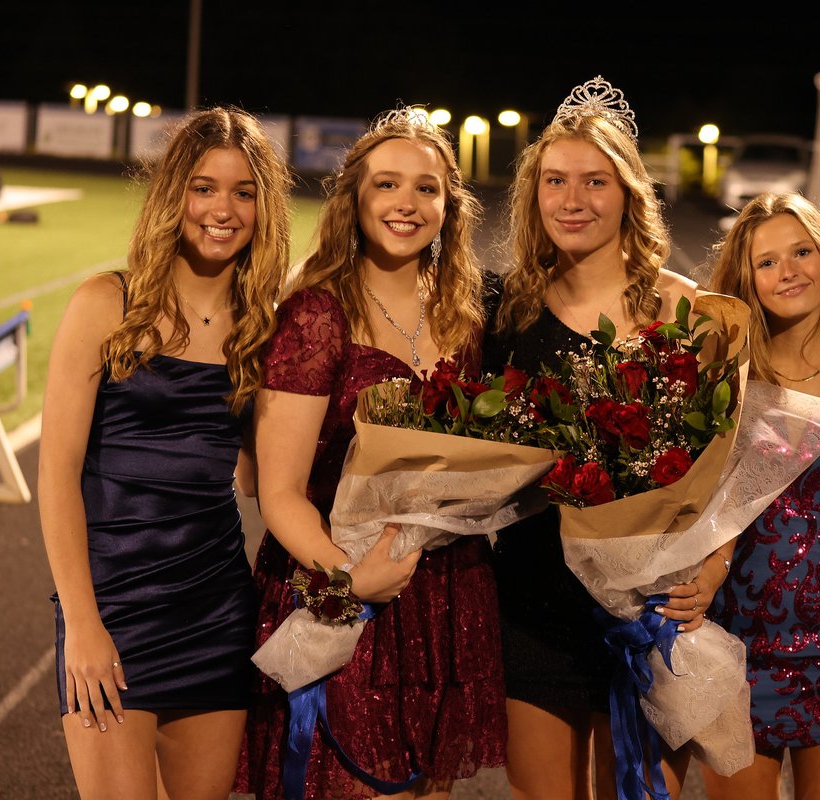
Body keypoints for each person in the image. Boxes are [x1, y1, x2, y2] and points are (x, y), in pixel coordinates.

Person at [236, 107, 505, 800]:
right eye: (387, 184)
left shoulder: (464, 316)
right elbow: (281, 491)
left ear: (450, 205)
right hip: (339, 587)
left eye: (426, 188)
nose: (406, 204)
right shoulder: (316, 314)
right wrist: (351, 582)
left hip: (444, 597)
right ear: (355, 197)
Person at [38, 107, 292, 799]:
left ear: (263, 208)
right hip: (111, 601)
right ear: (173, 193)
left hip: (213, 603)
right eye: (205, 187)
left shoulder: (263, 327)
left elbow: (259, 476)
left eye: (244, 192)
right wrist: (82, 624)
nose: (223, 209)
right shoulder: (106, 304)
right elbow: (56, 472)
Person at [483, 76, 718, 800]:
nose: (573, 199)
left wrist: (713, 569)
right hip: (532, 599)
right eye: (555, 180)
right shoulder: (505, 307)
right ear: (535, 193)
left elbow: (726, 460)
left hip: (647, 604)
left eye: (595, 181)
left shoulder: (683, 308)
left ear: (628, 194)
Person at [701, 193, 820, 800]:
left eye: (802, 251)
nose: (789, 272)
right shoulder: (725, 370)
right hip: (736, 643)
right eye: (767, 262)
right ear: (747, 281)